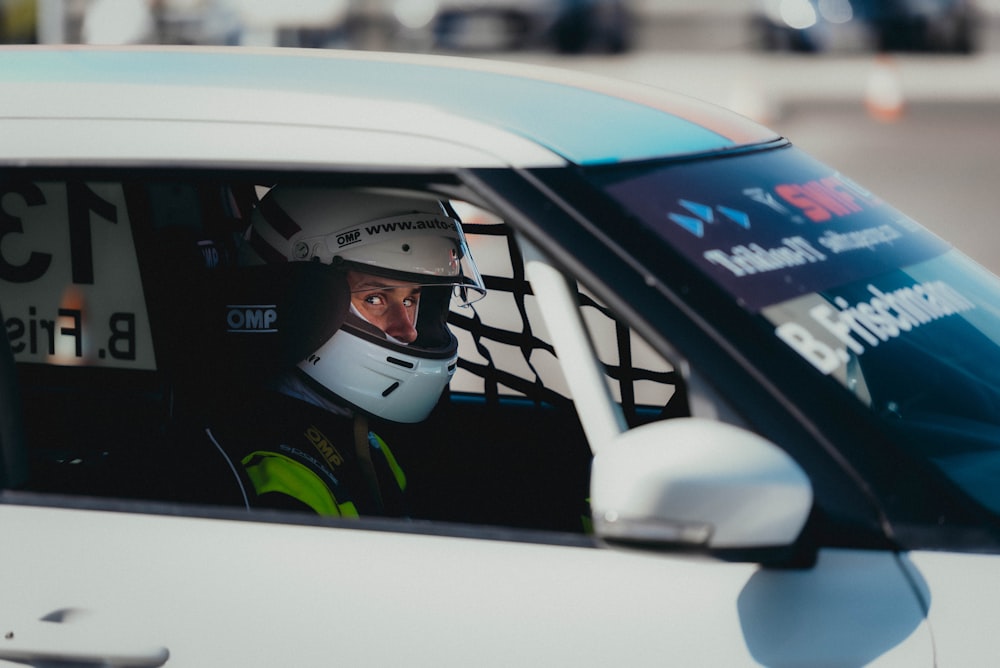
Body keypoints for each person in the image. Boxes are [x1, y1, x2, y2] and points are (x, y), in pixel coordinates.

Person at [190, 186, 486, 518]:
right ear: (298, 300)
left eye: (411, 300)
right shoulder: (276, 481)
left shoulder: (367, 440)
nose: (409, 331)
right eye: (375, 298)